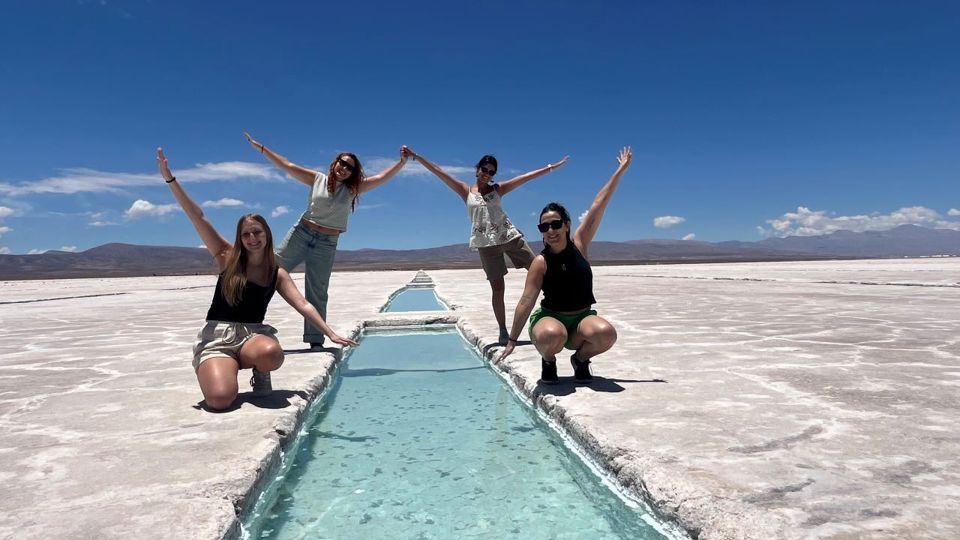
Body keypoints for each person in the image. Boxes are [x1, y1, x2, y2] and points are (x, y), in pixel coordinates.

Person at [157, 147, 358, 411]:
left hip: (252, 337)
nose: (252, 239)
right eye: (246, 235)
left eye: (257, 233)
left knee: (272, 353)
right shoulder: (226, 257)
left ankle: (259, 370)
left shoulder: (276, 272)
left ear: (267, 235)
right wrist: (170, 180)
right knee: (220, 400)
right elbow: (198, 216)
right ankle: (217, 367)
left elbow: (304, 305)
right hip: (218, 337)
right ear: (240, 239)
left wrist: (330, 333)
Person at [244, 133, 409, 348]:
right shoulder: (317, 179)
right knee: (266, 273)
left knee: (318, 291)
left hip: (327, 243)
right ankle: (245, 324)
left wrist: (401, 162)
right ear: (334, 164)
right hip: (301, 234)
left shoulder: (353, 189)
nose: (344, 168)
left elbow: (380, 178)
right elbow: (287, 165)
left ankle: (315, 341)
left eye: (350, 167)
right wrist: (262, 149)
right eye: (342, 163)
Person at [404, 147, 569, 344]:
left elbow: (525, 177)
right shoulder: (465, 191)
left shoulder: (498, 190)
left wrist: (552, 167)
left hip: (509, 236)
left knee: (541, 271)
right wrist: (417, 157)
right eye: (484, 169)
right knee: (498, 288)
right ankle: (502, 331)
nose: (487, 174)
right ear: (477, 169)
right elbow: (440, 173)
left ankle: (563, 313)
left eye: (491, 172)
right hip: (486, 244)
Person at [498, 147, 632, 384]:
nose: (551, 230)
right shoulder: (541, 262)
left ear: (567, 225)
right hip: (551, 319)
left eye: (556, 224)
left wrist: (620, 171)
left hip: (581, 319)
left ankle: (580, 360)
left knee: (605, 334)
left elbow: (599, 204)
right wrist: (512, 340)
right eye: (544, 227)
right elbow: (526, 301)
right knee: (552, 335)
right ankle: (548, 360)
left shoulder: (580, 244)